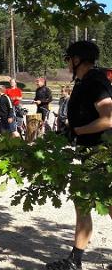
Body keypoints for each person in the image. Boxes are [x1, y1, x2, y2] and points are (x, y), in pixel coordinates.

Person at [45, 41, 112, 270]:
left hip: (101, 154)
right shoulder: (85, 82)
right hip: (89, 152)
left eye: (69, 59)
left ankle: (75, 261)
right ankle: (75, 260)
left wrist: (77, 130)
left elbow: (108, 119)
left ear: (77, 60)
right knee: (82, 203)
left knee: (101, 204)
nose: (67, 63)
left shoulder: (96, 82)